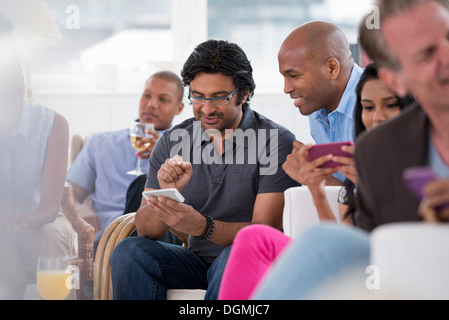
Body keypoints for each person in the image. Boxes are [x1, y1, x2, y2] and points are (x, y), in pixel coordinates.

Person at [251, 0, 449, 300]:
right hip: (402, 263)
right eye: (426, 53)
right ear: (394, 78)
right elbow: (365, 237)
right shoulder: (375, 147)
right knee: (315, 241)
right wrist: (319, 188)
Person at [110, 39, 300, 300]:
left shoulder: (276, 142)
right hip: (195, 263)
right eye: (197, 96)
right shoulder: (173, 140)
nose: (206, 109)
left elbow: (261, 233)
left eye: (219, 97)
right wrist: (165, 193)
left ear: (244, 94)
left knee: (234, 254)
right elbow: (146, 230)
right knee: (130, 250)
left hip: (252, 263)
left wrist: (202, 226)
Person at [218, 63, 414, 300]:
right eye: (368, 107)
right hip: (351, 262)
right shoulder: (362, 164)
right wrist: (317, 191)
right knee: (254, 237)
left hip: (388, 264)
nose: (377, 117)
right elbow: (339, 238)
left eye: (390, 105)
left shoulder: (425, 163)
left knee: (314, 238)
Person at [0, 16, 75, 299]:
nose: (10, 88)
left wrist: (15, 222)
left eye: (14, 79)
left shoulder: (53, 124)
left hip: (44, 219)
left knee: (51, 235)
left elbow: (48, 207)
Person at [66, 71, 184, 242]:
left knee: (143, 185)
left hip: (160, 238)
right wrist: (78, 208)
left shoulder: (187, 151)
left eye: (163, 99)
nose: (151, 104)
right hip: (107, 237)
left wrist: (163, 155)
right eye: (147, 96)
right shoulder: (101, 143)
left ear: (179, 108)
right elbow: (69, 193)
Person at [278, 21, 364, 184]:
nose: (286, 88)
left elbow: (380, 199)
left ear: (331, 68)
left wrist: (312, 177)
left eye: (294, 76)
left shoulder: (379, 101)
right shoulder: (317, 105)